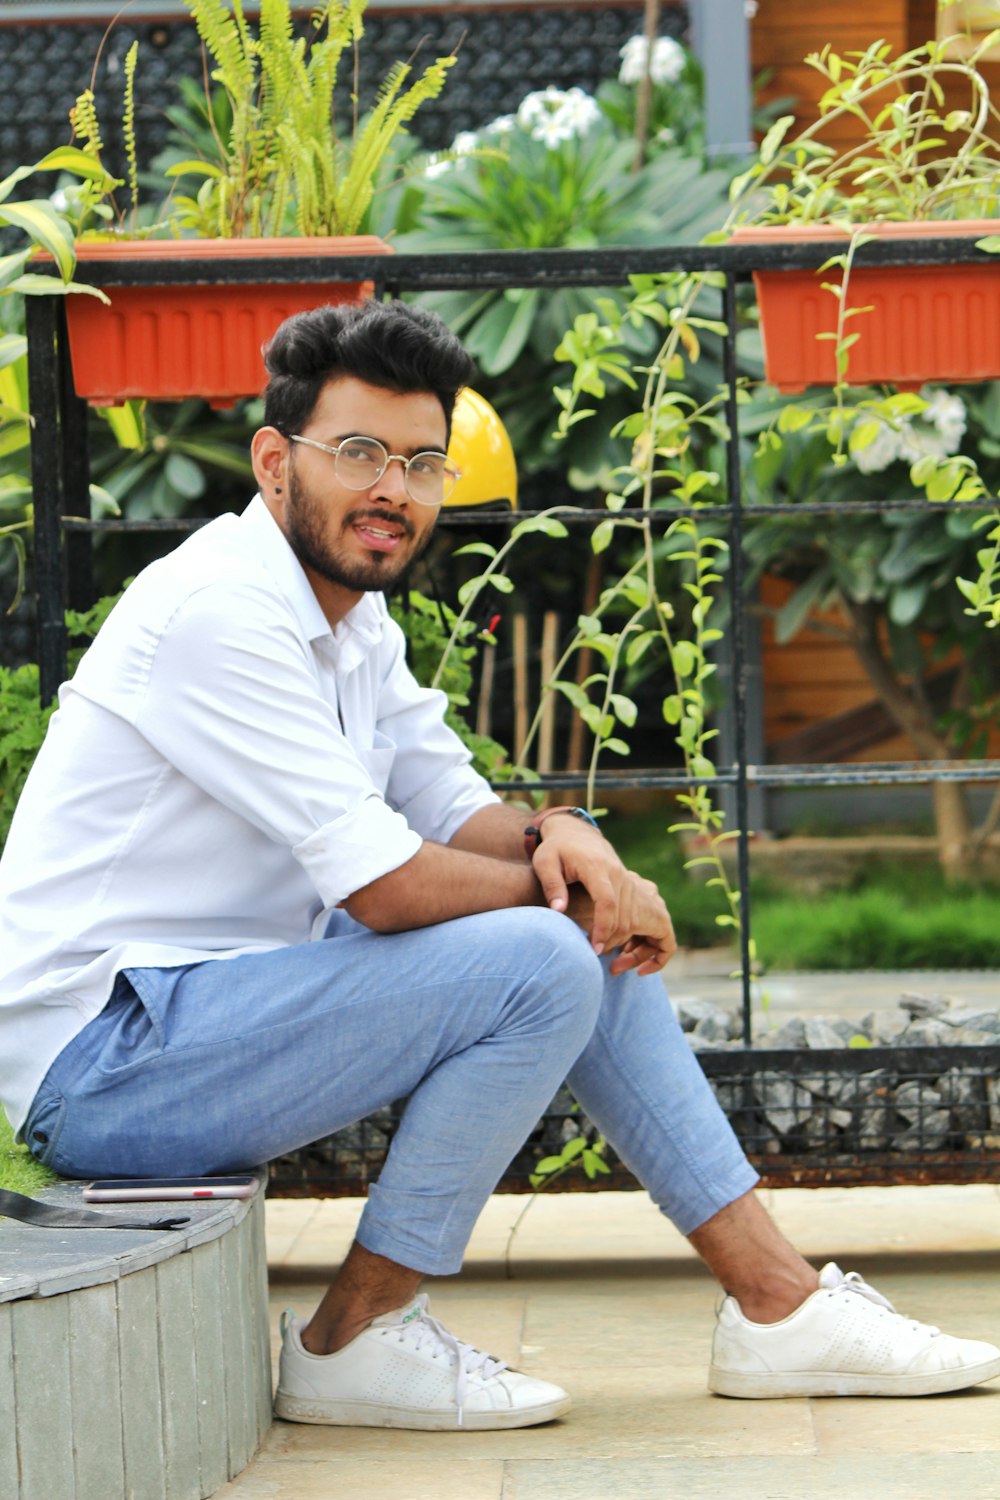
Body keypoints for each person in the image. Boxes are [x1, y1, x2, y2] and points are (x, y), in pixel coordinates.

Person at [1, 301, 997, 1431]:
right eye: (361, 455)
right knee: (544, 949)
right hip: (100, 1062)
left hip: (213, 1005)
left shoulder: (349, 619)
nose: (395, 490)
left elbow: (454, 805)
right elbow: (384, 885)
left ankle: (779, 1306)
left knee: (573, 937)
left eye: (421, 462)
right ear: (275, 462)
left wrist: (562, 831)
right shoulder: (218, 611)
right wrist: (573, 890)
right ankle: (352, 1339)